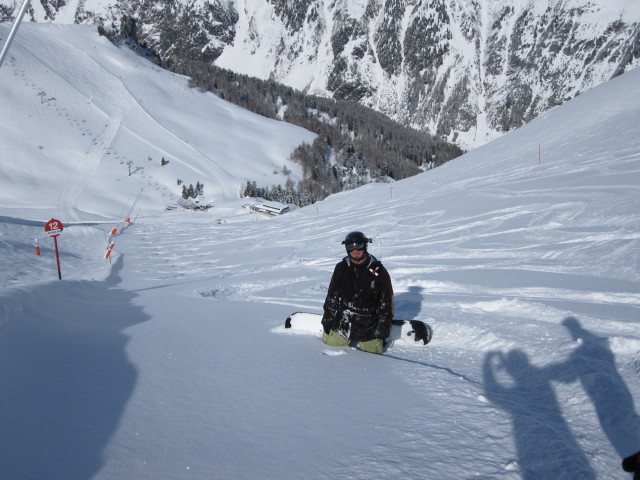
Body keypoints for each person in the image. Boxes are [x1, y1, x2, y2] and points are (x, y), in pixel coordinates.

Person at [321, 231, 394, 354]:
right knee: (329, 346)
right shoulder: (341, 268)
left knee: (373, 355)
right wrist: (327, 320)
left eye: (359, 246)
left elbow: (386, 302)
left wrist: (383, 330)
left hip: (369, 325)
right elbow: (332, 296)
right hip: (343, 323)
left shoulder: (378, 271)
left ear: (365, 246)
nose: (355, 251)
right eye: (351, 247)